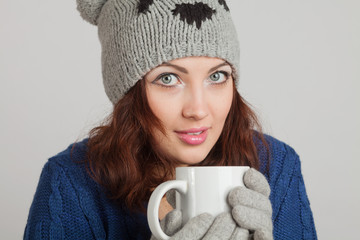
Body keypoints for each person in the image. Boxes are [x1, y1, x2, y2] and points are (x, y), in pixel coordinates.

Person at [24, 0, 317, 239]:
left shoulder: (275, 165)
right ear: (127, 94)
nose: (198, 110)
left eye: (217, 76)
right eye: (168, 78)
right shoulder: (72, 181)